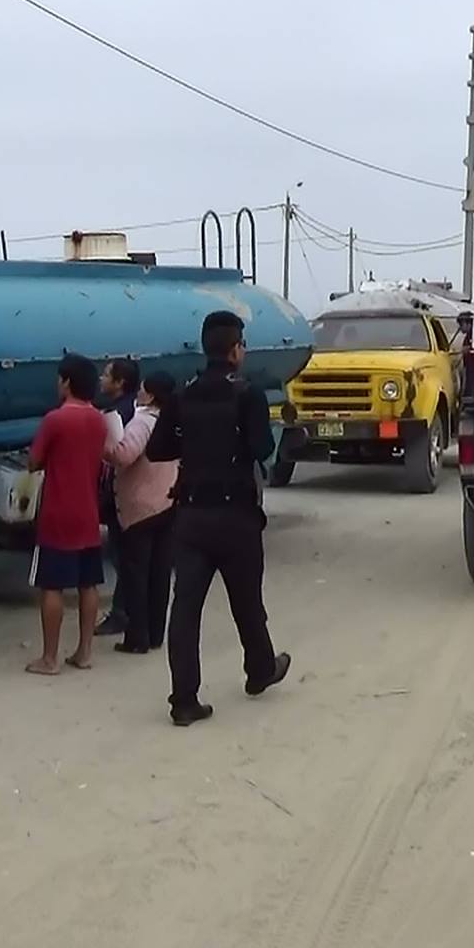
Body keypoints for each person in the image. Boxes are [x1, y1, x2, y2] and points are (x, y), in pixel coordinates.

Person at [147, 310, 292, 726]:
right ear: (235, 350)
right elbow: (262, 448)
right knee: (246, 601)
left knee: (185, 610)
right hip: (236, 516)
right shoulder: (248, 395)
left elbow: (157, 450)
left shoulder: (182, 395)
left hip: (191, 515)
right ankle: (260, 669)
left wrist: (193, 443)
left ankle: (184, 700)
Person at [25, 354, 110, 676]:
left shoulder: (55, 420)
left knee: (51, 586)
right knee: (88, 583)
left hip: (58, 513)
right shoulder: (98, 420)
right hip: (88, 512)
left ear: (67, 382)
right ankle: (84, 652)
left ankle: (50, 658)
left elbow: (34, 462)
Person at [106, 370, 179, 655]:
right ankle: (156, 632)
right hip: (166, 503)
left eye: (143, 389)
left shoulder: (143, 421)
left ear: (150, 396)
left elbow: (124, 455)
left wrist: (106, 445)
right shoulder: (173, 420)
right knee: (160, 573)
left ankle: (137, 637)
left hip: (140, 507)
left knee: (136, 575)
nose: (138, 393)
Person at [95, 358, 141, 638]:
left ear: (120, 382)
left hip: (119, 493)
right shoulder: (135, 408)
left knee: (123, 557)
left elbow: (115, 456)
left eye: (106, 375)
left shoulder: (117, 415)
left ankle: (124, 612)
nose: (101, 379)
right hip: (134, 492)